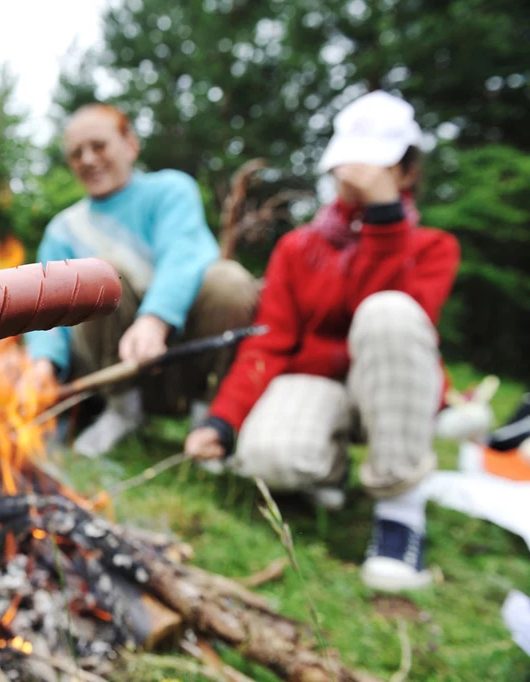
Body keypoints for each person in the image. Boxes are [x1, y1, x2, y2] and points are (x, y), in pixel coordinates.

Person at [184, 91, 461, 592]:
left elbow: (391, 323)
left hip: (391, 385)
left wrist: (383, 220)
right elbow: (269, 343)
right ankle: (326, 470)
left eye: (377, 161)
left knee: (389, 313)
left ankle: (400, 511)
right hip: (317, 383)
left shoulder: (433, 248)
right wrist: (224, 421)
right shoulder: (298, 249)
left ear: (406, 172)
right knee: (268, 458)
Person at [22, 104, 258, 458]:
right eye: (76, 153)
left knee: (229, 280)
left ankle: (207, 421)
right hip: (107, 369)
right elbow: (43, 306)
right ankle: (121, 411)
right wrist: (43, 363)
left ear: (130, 144)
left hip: (176, 355)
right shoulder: (62, 230)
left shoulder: (171, 191)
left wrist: (155, 319)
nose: (87, 159)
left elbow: (184, 255)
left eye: (99, 146)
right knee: (97, 272)